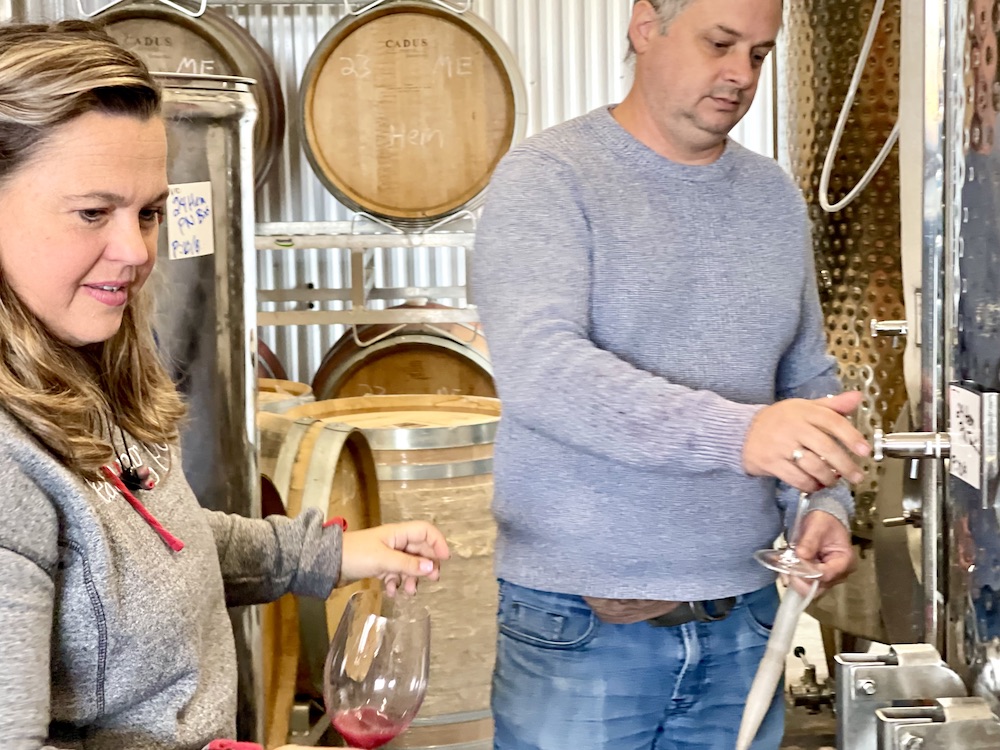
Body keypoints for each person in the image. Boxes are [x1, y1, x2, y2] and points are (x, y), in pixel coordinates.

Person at [0, 20, 449, 750]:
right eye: (93, 213)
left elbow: (141, 545)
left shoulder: (74, 363)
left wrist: (326, 556)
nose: (136, 251)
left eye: (148, 213)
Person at [470, 1, 871, 748]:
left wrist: (827, 504)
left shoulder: (773, 197)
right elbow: (542, 370)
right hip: (585, 625)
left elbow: (808, 376)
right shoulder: (550, 179)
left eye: (759, 53)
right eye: (719, 43)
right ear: (645, 25)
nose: (740, 74)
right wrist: (742, 434)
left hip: (748, 618)